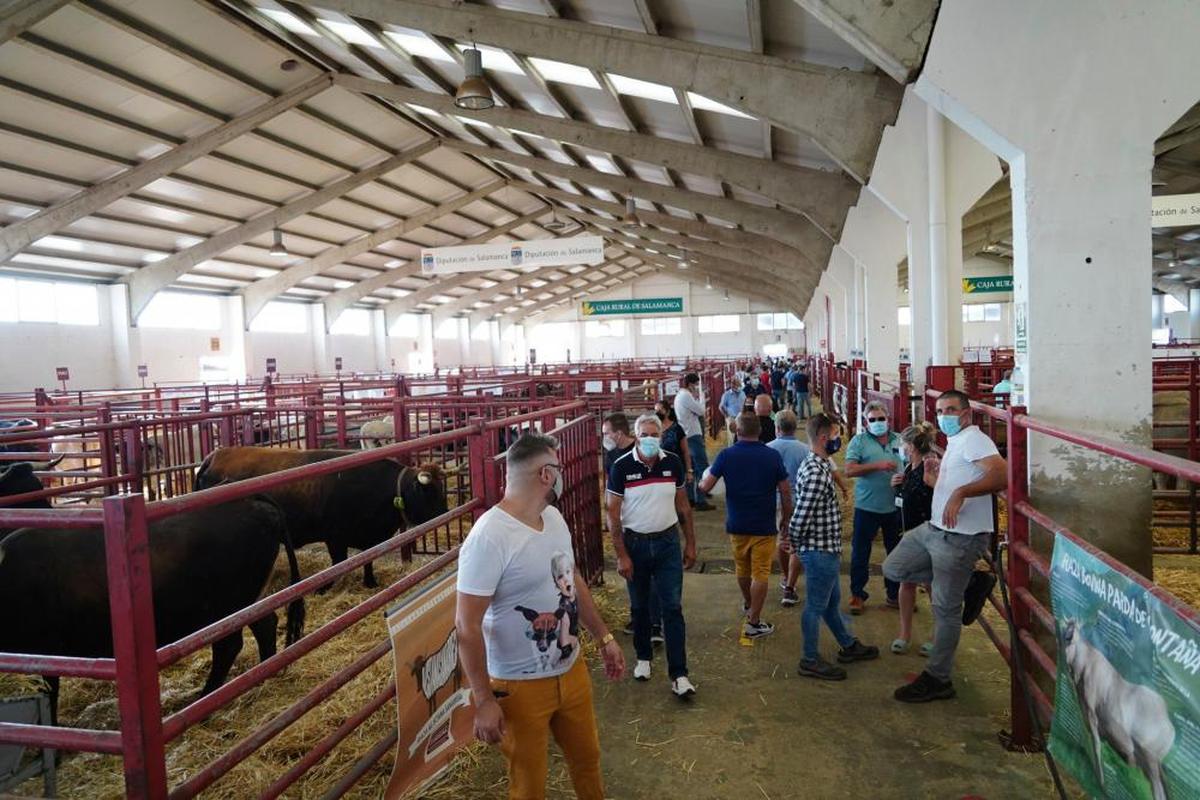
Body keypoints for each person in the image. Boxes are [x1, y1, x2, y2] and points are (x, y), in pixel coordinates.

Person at [457, 432, 625, 800]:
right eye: (559, 467)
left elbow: (572, 576)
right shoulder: (489, 537)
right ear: (546, 475)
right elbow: (466, 627)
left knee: (588, 759)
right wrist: (483, 699)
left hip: (570, 670)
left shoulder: (553, 518)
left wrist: (603, 635)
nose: (562, 474)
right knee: (529, 783)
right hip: (518, 686)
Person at [883, 390, 1005, 702]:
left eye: (950, 409)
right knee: (894, 567)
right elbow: (952, 489)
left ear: (966, 414)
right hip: (935, 529)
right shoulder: (956, 443)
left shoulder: (976, 440)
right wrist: (934, 482)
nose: (944, 415)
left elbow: (1002, 475)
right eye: (940, 410)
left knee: (945, 609)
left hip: (961, 537)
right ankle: (970, 582)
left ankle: (938, 678)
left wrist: (961, 492)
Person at [607, 414, 698, 697]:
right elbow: (612, 514)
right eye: (643, 434)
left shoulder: (672, 462)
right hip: (635, 544)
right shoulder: (621, 467)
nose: (649, 439)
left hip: (668, 542)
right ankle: (644, 658)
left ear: (660, 436)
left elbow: (683, 505)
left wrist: (691, 543)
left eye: (653, 434)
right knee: (640, 606)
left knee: (672, 607)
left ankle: (679, 674)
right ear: (636, 436)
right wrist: (621, 554)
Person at [785, 413, 879, 680]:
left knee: (830, 602)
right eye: (837, 436)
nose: (840, 441)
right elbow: (801, 515)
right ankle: (810, 659)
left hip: (824, 547)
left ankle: (848, 645)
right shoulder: (816, 471)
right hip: (819, 549)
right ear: (824, 438)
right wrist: (793, 541)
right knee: (816, 605)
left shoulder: (820, 463)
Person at [697, 412, 792, 639]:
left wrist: (699, 482)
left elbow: (706, 487)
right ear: (759, 431)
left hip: (737, 522)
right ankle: (754, 621)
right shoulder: (772, 456)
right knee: (760, 572)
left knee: (742, 568)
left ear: (736, 431)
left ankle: (749, 603)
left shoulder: (726, 455)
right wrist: (785, 519)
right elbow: (785, 491)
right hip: (764, 524)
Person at [604, 413, 661, 641]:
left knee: (651, 576)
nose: (605, 437)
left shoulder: (642, 454)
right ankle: (641, 618)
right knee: (634, 576)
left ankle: (654, 622)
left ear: (619, 433)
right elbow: (611, 490)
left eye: (607, 433)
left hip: (648, 521)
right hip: (627, 523)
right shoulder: (611, 456)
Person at [843, 400, 904, 615]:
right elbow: (849, 470)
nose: (878, 423)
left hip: (895, 507)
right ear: (866, 422)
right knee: (861, 552)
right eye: (873, 420)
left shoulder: (900, 440)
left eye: (881, 419)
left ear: (888, 419)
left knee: (896, 552)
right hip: (867, 506)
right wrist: (877, 466)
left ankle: (894, 594)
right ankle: (857, 593)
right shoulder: (858, 442)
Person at [887, 422, 937, 655]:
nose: (902, 448)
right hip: (907, 533)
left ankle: (936, 636)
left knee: (930, 583)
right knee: (906, 581)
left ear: (913, 446)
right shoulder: (909, 468)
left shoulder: (929, 467)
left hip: (925, 534)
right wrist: (896, 486)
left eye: (904, 444)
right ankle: (904, 633)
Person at [767, 410, 811, 607]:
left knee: (783, 540)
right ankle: (790, 586)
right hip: (800, 501)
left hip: (776, 501)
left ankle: (785, 576)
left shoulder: (768, 449)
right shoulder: (805, 450)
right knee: (797, 543)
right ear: (795, 428)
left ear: (777, 428)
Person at [657, 401, 713, 513]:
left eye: (660, 410)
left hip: (677, 468)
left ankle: (691, 504)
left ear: (667, 412)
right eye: (656, 410)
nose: (657, 413)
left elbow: (685, 451)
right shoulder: (655, 429)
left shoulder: (677, 429)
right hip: (661, 469)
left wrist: (689, 471)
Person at [673, 372, 713, 509]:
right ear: (691, 384)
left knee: (691, 468)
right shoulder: (686, 396)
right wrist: (699, 398)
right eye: (696, 385)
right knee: (701, 466)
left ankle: (691, 497)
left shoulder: (680, 395)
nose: (697, 387)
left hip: (687, 433)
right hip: (692, 434)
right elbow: (701, 411)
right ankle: (700, 499)